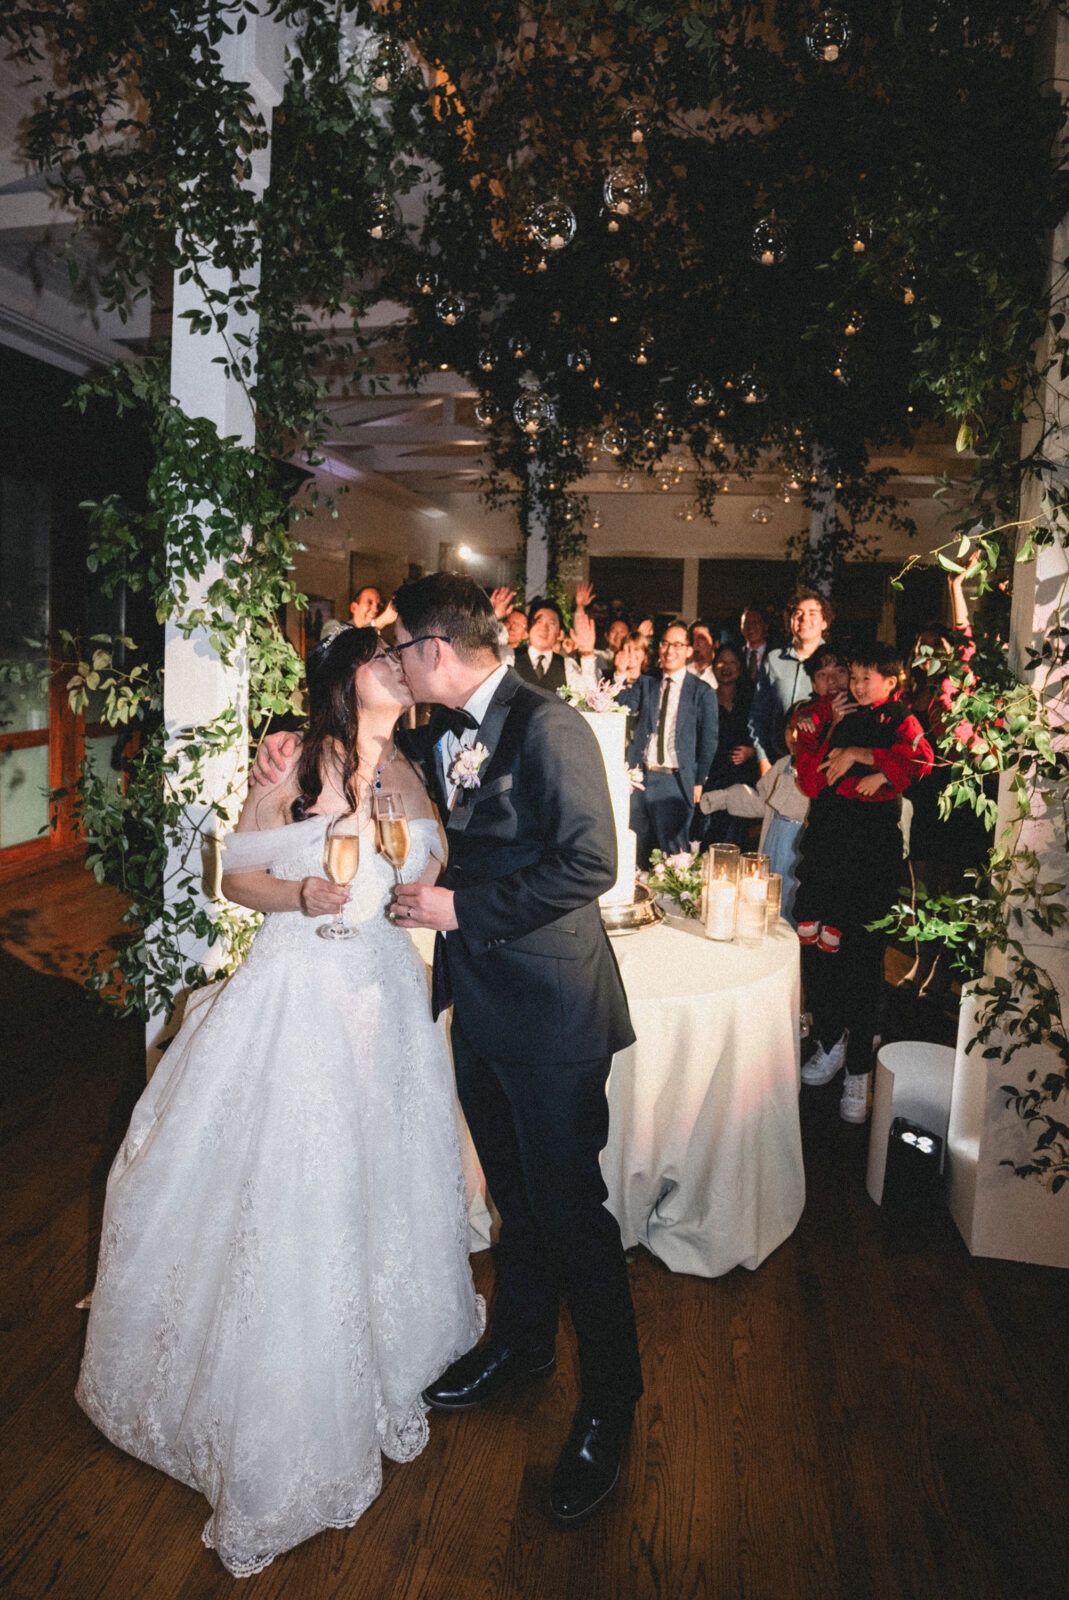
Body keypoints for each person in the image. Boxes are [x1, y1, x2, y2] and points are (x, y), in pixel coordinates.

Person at [75, 626, 483, 1577]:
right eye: (385, 657)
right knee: (297, 1195)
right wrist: (298, 893)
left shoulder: (415, 773)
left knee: (388, 1181)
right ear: (348, 676)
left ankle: (392, 1363)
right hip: (299, 998)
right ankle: (287, 1415)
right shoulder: (298, 761)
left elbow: (425, 874)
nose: (402, 667)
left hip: (387, 1000)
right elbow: (235, 875)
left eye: (404, 658)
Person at [253, 574, 643, 1526]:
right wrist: (281, 738)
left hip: (551, 1013)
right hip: (483, 1007)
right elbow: (363, 744)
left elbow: (593, 861)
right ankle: (522, 1344)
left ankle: (610, 1404)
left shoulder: (548, 727)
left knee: (570, 1206)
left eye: (396, 648)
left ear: (431, 651)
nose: (390, 661)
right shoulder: (447, 731)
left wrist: (460, 908)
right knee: (514, 1196)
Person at [793, 643, 933, 1123]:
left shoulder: (900, 721)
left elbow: (917, 765)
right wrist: (860, 764)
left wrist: (860, 755)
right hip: (828, 850)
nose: (852, 685)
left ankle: (858, 1070)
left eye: (862, 677)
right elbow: (814, 781)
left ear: (894, 682)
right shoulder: (817, 717)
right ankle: (829, 1041)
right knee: (821, 953)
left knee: (865, 958)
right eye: (850, 676)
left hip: (871, 856)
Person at [699, 703, 810, 922]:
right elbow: (762, 802)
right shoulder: (783, 764)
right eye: (790, 728)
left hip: (798, 848)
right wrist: (722, 797)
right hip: (773, 842)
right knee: (768, 903)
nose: (795, 735)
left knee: (794, 904)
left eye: (802, 729)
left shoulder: (819, 771)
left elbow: (790, 803)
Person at [620, 621, 718, 867]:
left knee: (673, 857)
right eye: (664, 643)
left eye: (677, 645)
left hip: (674, 781)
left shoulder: (702, 692)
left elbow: (709, 740)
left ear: (688, 650)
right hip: (641, 778)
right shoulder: (648, 682)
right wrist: (622, 675)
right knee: (635, 851)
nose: (669, 650)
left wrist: (699, 780)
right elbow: (623, 707)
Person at [747, 588, 831, 774]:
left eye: (812, 613)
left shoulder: (835, 662)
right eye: (798, 613)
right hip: (779, 764)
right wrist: (763, 760)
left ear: (824, 622)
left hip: (821, 765)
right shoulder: (774, 660)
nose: (803, 619)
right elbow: (757, 716)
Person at [693, 642, 757, 847]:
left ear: (740, 667)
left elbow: (763, 735)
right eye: (722, 662)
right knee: (708, 833)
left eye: (732, 662)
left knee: (735, 836)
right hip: (712, 774)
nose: (727, 668)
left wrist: (752, 751)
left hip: (741, 777)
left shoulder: (751, 699)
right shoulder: (705, 697)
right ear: (713, 666)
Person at [512, 591, 601, 691]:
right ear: (529, 628)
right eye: (539, 621)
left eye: (551, 623)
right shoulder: (509, 657)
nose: (544, 628)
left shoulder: (567, 665)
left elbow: (589, 694)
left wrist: (587, 652)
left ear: (559, 633)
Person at [740, 603, 771, 682]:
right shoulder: (737, 654)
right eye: (746, 623)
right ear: (741, 628)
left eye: (755, 623)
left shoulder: (775, 654)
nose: (750, 627)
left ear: (765, 626)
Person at [687, 620, 719, 689]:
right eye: (692, 639)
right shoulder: (683, 672)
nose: (695, 644)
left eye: (701, 639)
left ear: (716, 644)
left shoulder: (720, 674)